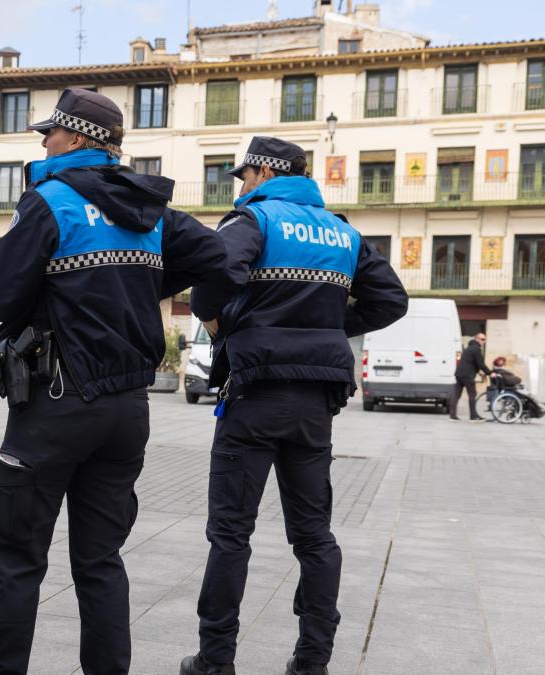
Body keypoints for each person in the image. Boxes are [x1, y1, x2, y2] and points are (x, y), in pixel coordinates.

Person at [0, 87, 229, 675]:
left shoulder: (52, 202)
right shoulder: (151, 212)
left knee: (16, 558)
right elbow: (216, 255)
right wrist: (138, 286)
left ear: (79, 140)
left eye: (50, 132)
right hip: (126, 411)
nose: (43, 141)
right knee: (101, 560)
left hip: (56, 407)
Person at [182, 136, 408, 675]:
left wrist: (225, 325)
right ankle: (312, 661)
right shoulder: (343, 232)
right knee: (314, 535)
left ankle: (215, 661)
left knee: (231, 535)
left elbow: (210, 283)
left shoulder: (252, 222)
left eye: (244, 176)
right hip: (316, 402)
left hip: (256, 394)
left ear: (262, 171)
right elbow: (391, 300)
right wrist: (327, 329)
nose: (242, 185)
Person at [450, 333, 490, 421]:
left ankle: (452, 416)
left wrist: (478, 371)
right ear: (477, 339)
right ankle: (473, 416)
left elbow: (471, 363)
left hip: (459, 374)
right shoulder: (476, 349)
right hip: (467, 375)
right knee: (472, 394)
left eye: (485, 339)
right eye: (482, 339)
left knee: (456, 394)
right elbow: (480, 364)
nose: (484, 341)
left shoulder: (468, 348)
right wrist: (490, 373)